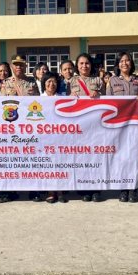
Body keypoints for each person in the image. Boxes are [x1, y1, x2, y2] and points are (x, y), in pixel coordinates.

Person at [108, 52, 138, 202]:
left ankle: (133, 188)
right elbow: (108, 103)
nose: (125, 63)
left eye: (127, 60)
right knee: (122, 157)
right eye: (121, 61)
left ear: (131, 63)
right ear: (117, 64)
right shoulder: (112, 80)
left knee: (134, 157)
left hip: (136, 124)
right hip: (119, 126)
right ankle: (123, 189)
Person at [69, 53, 103, 201]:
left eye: (87, 63)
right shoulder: (71, 81)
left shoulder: (98, 80)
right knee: (81, 156)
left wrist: (99, 93)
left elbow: (109, 99)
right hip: (78, 125)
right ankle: (83, 189)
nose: (84, 66)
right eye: (81, 63)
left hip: (95, 124)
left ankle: (95, 189)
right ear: (77, 66)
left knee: (95, 156)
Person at [39, 71, 67, 204]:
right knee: (47, 165)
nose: (51, 84)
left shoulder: (63, 98)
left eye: (54, 81)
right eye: (48, 81)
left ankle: (60, 191)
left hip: (60, 137)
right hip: (43, 138)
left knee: (59, 164)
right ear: (44, 84)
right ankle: (50, 191)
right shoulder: (37, 99)